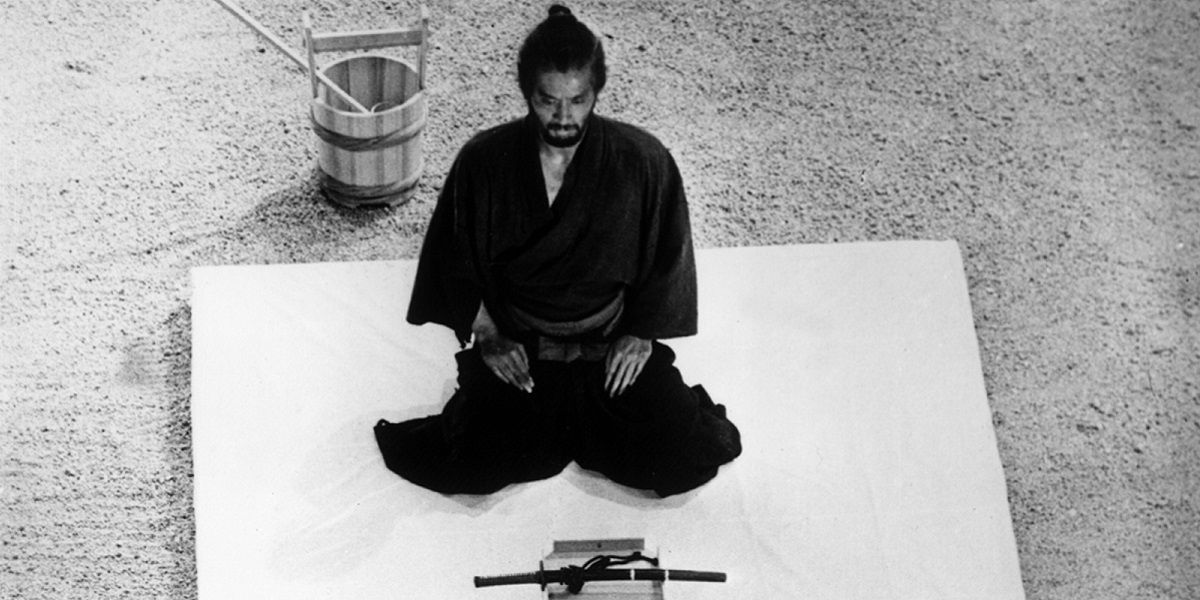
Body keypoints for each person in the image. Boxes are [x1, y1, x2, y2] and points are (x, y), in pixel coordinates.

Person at [374, 5, 741, 498]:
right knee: (473, 461)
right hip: (524, 344)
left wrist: (641, 333)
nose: (563, 118)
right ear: (528, 92)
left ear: (596, 93)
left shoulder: (642, 160)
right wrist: (488, 335)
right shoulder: (485, 160)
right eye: (548, 101)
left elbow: (669, 253)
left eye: (578, 100)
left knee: (679, 455)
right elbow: (452, 257)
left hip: (609, 345)